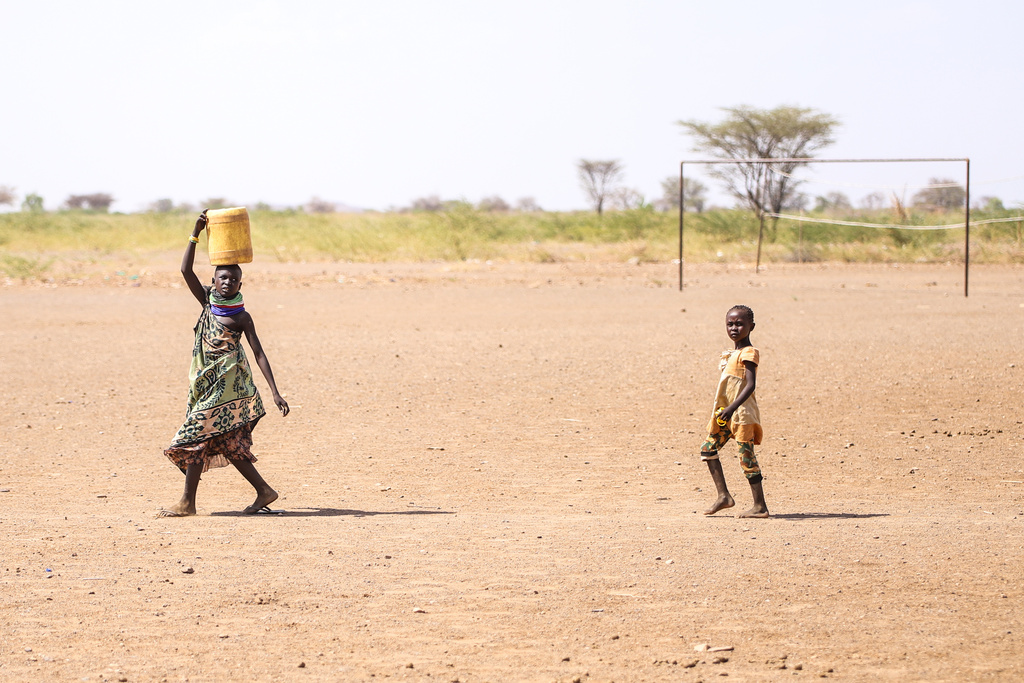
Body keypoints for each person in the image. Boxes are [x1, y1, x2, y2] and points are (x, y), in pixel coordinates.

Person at [159, 210, 289, 517]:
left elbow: (259, 353)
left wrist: (275, 391)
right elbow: (185, 270)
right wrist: (195, 232)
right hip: (207, 385)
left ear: (241, 282)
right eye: (223, 277)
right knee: (227, 443)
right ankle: (263, 491)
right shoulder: (207, 303)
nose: (228, 282)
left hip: (231, 387)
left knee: (195, 436)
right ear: (213, 282)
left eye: (234, 278)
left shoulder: (241, 316)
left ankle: (187, 502)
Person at [699, 304, 769, 518]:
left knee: (747, 459)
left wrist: (731, 408)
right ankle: (724, 496)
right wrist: (725, 410)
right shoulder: (732, 353)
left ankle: (760, 506)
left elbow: (750, 384)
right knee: (708, 449)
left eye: (740, 324)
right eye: (730, 324)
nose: (734, 328)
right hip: (726, 415)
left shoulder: (749, 353)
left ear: (751, 326)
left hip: (742, 415)